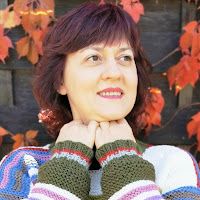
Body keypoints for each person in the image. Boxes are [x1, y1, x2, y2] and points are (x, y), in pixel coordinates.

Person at [0, 2, 199, 200]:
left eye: (125, 58)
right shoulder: (23, 166)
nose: (115, 73)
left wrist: (124, 165)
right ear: (60, 80)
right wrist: (65, 168)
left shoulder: (171, 164)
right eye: (94, 57)